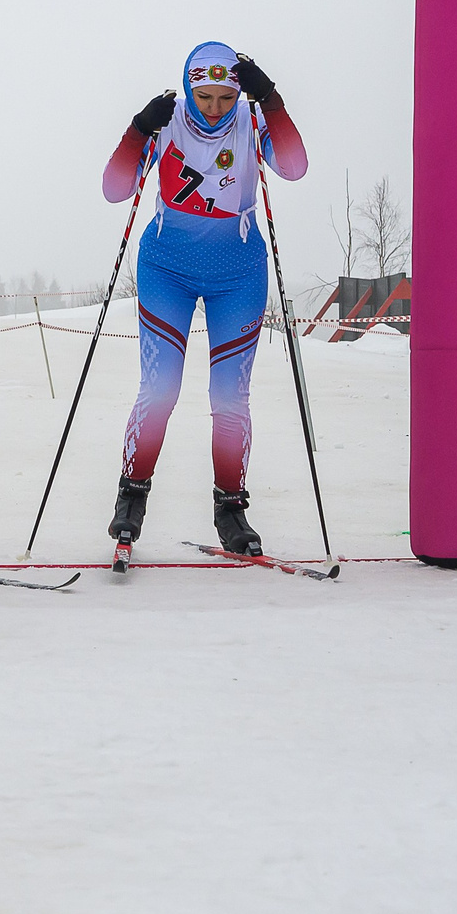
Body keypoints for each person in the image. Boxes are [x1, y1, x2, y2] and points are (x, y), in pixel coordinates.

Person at [102, 44, 308, 557]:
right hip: (166, 268)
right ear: (189, 88)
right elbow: (114, 189)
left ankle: (231, 507)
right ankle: (132, 495)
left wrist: (273, 101)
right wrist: (137, 130)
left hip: (237, 273)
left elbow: (296, 167)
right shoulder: (168, 121)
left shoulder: (249, 118)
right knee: (161, 387)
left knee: (230, 399)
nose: (214, 108)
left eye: (224, 96)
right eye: (204, 96)